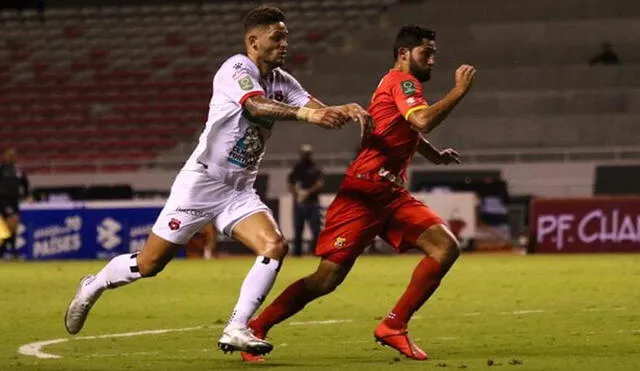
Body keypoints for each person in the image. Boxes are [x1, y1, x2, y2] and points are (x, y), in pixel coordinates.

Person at [63, 5, 371, 357]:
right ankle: (94, 284)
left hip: (239, 190)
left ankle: (237, 327)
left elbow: (314, 105)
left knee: (275, 246)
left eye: (286, 36)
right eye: (277, 37)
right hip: (201, 184)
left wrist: (341, 110)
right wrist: (308, 114)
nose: (285, 44)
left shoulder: (282, 80)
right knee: (149, 264)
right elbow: (255, 107)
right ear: (254, 41)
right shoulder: (235, 68)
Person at [241, 25, 476, 362]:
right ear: (404, 54)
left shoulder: (390, 83)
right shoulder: (403, 82)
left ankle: (394, 326)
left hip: (389, 192)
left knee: (445, 247)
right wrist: (459, 91)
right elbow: (421, 120)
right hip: (364, 192)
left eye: (434, 53)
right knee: (326, 279)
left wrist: (433, 155)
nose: (433, 60)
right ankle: (256, 327)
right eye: (427, 53)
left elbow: (401, 128)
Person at [288, 144, 324, 256]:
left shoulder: (315, 168)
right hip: (300, 203)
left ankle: (316, 252)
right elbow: (291, 183)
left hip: (313, 202)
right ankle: (297, 253)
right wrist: (297, 195)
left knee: (316, 230)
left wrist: (308, 193)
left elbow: (320, 184)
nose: (306, 156)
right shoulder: (297, 169)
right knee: (298, 230)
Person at [0, 147, 30, 259]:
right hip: (3, 200)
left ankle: (7, 251)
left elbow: (25, 183)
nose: (11, 157)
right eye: (9, 155)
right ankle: (11, 251)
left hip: (14, 201)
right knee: (9, 225)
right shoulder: (2, 169)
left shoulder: (18, 169)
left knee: (13, 227)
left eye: (13, 155)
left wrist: (27, 195)